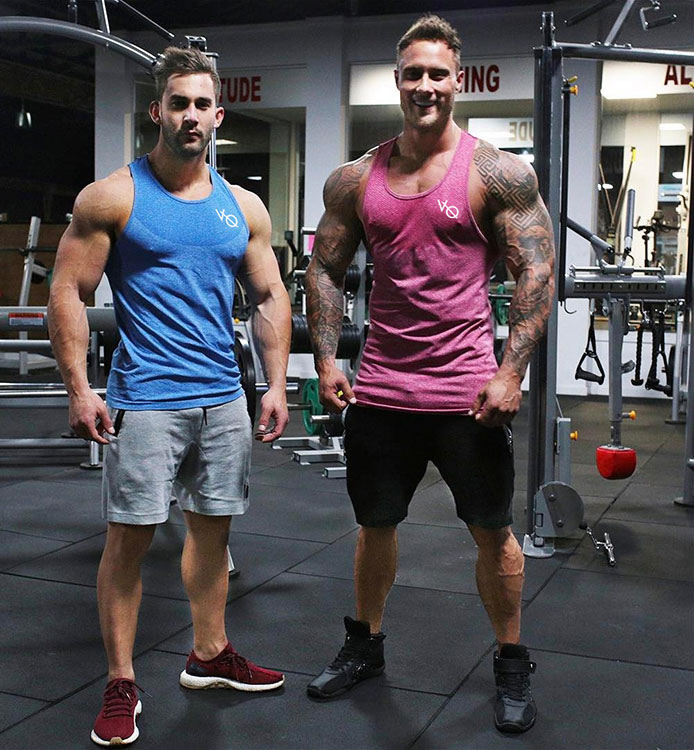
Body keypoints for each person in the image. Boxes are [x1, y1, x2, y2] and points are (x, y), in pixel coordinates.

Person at [304, 15, 554, 734]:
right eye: (413, 73)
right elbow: (324, 266)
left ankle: (510, 660)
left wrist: (511, 371)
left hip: (466, 394)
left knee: (491, 530)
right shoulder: (357, 178)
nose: (425, 86)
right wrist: (326, 358)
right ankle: (365, 644)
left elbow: (537, 270)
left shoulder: (498, 173)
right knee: (374, 525)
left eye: (437, 74)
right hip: (383, 389)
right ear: (397, 80)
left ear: (458, 80)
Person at [47, 46, 292, 747]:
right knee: (129, 540)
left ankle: (209, 654)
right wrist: (79, 388)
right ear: (157, 110)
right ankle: (121, 681)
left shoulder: (241, 206)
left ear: (219, 115)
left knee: (214, 532)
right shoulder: (113, 197)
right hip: (147, 398)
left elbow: (269, 294)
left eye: (202, 104)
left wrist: (276, 385)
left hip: (223, 398)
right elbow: (67, 290)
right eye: (178, 103)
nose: (190, 115)